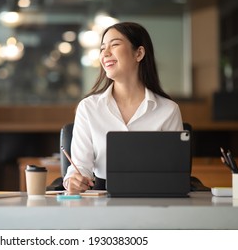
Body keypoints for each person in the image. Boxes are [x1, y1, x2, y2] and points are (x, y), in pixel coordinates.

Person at [63, 22, 183, 193]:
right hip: (102, 198)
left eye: (115, 45)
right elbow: (80, 167)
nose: (105, 53)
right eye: (102, 48)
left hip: (154, 197)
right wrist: (73, 181)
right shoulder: (88, 108)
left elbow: (175, 171)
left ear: (139, 53)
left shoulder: (168, 110)